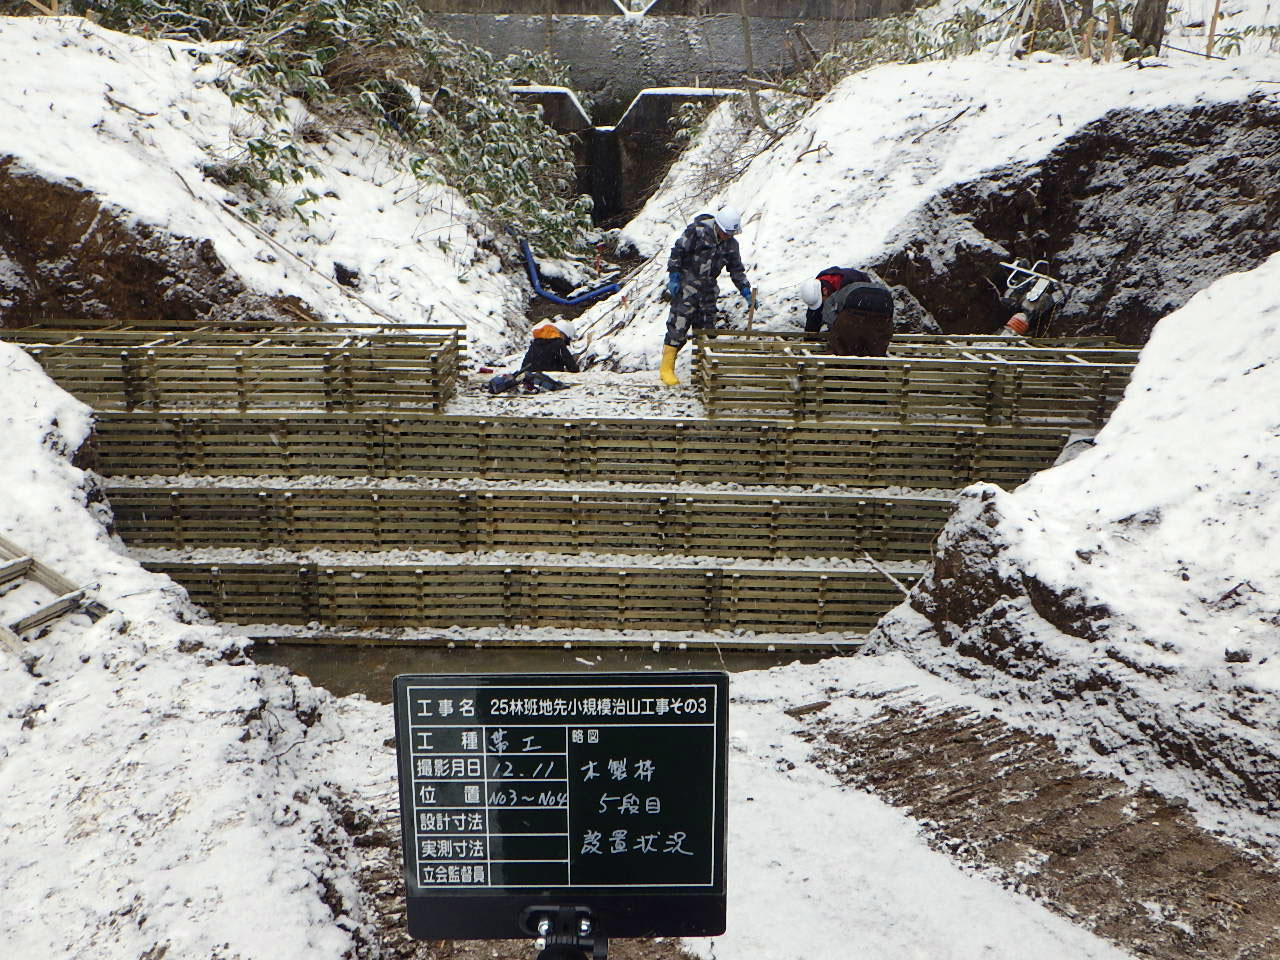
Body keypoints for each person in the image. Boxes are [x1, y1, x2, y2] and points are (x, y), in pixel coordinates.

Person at [660, 206, 753, 385]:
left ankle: (702, 370)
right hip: (687, 286)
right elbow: (677, 252)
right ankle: (666, 368)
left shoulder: (731, 244)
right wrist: (674, 275)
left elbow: (736, 269)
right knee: (678, 326)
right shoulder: (697, 232)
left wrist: (745, 291)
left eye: (731, 234)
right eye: (726, 233)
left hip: (709, 289)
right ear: (718, 226)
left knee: (706, 331)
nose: (728, 236)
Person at [799, 266, 894, 356]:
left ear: (825, 290)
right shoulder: (816, 289)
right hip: (873, 302)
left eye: (822, 299)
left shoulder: (851, 281)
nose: (822, 303)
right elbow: (814, 316)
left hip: (864, 306)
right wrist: (809, 341)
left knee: (859, 338)